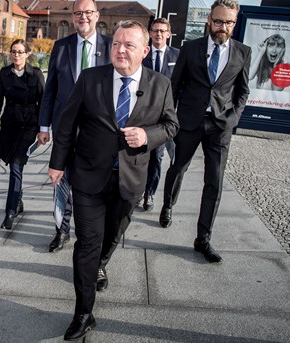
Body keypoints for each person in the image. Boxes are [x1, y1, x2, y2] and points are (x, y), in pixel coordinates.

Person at [48, 20, 178, 340]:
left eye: (128, 45)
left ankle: (102, 262)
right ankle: (83, 313)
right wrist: (56, 164)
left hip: (130, 179)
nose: (119, 50)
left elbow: (172, 126)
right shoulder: (91, 78)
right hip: (88, 175)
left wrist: (147, 135)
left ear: (145, 51)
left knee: (111, 236)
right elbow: (67, 123)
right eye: (116, 44)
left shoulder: (160, 84)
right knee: (88, 243)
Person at [159, 0, 251, 263]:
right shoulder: (191, 48)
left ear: (235, 23)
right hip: (188, 122)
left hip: (220, 127)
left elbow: (243, 92)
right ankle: (167, 206)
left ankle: (203, 239)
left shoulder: (243, 52)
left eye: (229, 22)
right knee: (178, 169)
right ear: (209, 20)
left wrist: (233, 118)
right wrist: (171, 118)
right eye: (219, 21)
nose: (223, 27)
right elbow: (174, 86)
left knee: (215, 182)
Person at [38, 0, 112, 253]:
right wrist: (44, 125)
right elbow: (51, 90)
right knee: (61, 179)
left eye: (88, 12)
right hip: (65, 127)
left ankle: (90, 233)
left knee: (93, 183)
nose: (83, 17)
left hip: (98, 129)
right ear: (72, 17)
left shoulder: (111, 46)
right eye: (78, 13)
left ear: (97, 15)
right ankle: (61, 230)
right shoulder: (61, 47)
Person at [0, 39, 45, 229]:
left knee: (16, 166)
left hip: (29, 126)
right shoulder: (4, 74)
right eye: (14, 51)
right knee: (14, 166)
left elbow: (44, 103)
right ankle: (18, 200)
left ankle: (10, 212)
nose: (16, 55)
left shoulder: (36, 74)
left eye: (21, 52)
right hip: (10, 125)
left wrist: (43, 129)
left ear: (28, 54)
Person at [139, 18, 180, 211]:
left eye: (163, 31)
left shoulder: (177, 56)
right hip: (142, 114)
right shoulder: (142, 55)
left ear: (168, 34)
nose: (159, 34)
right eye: (155, 31)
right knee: (138, 155)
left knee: (157, 156)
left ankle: (150, 193)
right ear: (150, 33)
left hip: (163, 118)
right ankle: (137, 190)